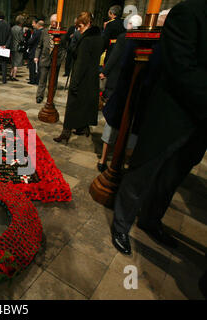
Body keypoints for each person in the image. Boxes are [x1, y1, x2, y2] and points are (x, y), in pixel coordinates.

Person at [111, 0, 207, 255]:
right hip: (172, 114)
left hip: (198, 124)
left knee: (172, 178)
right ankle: (121, 224)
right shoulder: (189, 12)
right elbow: (182, 68)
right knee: (143, 172)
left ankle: (151, 220)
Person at [97, 14, 142, 173]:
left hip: (120, 83)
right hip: (138, 87)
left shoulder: (124, 38)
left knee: (112, 121)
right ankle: (123, 160)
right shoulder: (149, 39)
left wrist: (105, 71)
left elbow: (115, 56)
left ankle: (103, 160)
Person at [54, 12, 103, 144]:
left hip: (81, 78)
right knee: (85, 104)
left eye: (80, 26)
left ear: (87, 24)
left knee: (72, 106)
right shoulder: (98, 37)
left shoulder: (86, 40)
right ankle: (83, 127)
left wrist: (74, 84)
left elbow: (81, 64)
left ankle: (65, 133)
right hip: (91, 78)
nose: (79, 29)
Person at [34, 14, 65, 104]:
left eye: (56, 22)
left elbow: (64, 48)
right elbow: (39, 46)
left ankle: (50, 96)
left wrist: (60, 59)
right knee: (42, 79)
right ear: (50, 22)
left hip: (56, 61)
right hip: (45, 59)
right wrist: (36, 56)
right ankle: (39, 96)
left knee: (53, 81)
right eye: (53, 22)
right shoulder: (45, 31)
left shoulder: (61, 32)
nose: (54, 23)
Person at [27, 19, 43, 85]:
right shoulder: (44, 32)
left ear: (37, 24)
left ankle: (32, 80)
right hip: (40, 52)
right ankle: (37, 80)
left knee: (32, 67)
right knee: (38, 67)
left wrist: (28, 41)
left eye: (33, 23)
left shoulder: (37, 32)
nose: (32, 25)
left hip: (34, 51)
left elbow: (31, 41)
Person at [10, 15, 25, 81]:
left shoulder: (12, 28)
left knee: (13, 62)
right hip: (18, 47)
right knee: (16, 63)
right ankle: (14, 76)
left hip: (12, 46)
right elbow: (21, 39)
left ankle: (11, 74)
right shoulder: (20, 29)